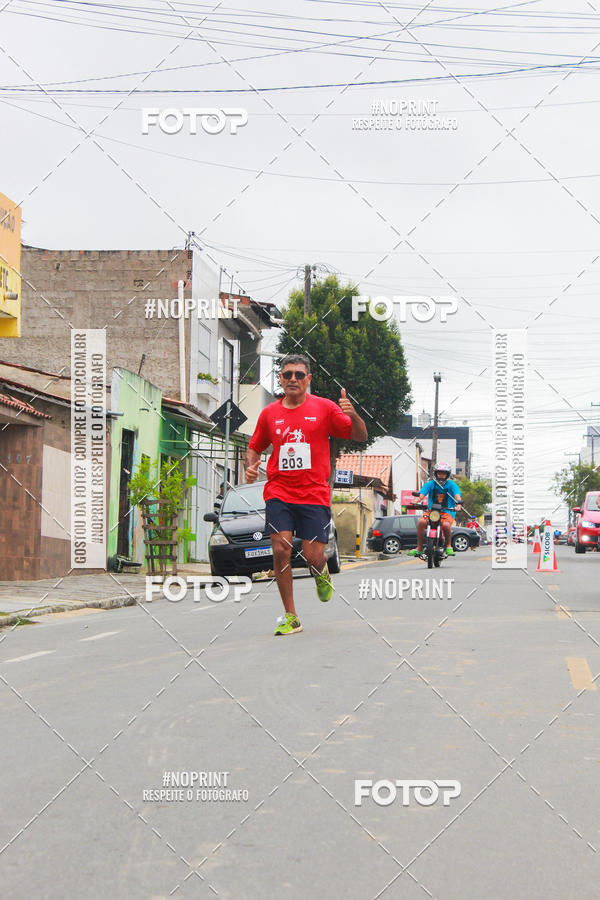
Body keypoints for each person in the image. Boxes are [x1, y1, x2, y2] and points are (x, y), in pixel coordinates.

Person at [245, 353, 367, 635]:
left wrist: (352, 414)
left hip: (314, 493)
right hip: (279, 491)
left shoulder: (324, 408)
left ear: (308, 379)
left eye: (299, 375)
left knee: (313, 555)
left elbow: (359, 436)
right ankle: (291, 616)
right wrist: (250, 466)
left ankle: (321, 573)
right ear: (280, 378)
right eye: (287, 374)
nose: (293, 379)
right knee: (281, 548)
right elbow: (254, 446)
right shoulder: (269, 414)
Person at [408, 462, 462, 559]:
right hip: (432, 511)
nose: (441, 475)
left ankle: (448, 546)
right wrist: (415, 501)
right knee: (421, 522)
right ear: (435, 473)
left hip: (447, 512)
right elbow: (421, 495)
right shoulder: (430, 484)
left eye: (443, 473)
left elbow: (457, 496)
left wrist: (458, 504)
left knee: (446, 525)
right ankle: (419, 547)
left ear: (447, 475)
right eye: (439, 473)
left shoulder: (452, 484)